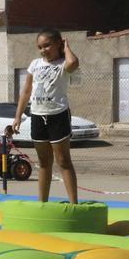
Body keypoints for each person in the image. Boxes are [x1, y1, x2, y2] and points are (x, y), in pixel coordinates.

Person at [14, 28, 80, 203]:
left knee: (63, 161)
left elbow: (73, 63)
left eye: (47, 45)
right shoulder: (35, 64)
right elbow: (26, 91)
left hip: (57, 115)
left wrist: (66, 47)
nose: (43, 50)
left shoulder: (62, 63)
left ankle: (74, 203)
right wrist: (18, 116)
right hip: (37, 115)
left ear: (58, 43)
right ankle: (42, 202)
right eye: (40, 47)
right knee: (44, 162)